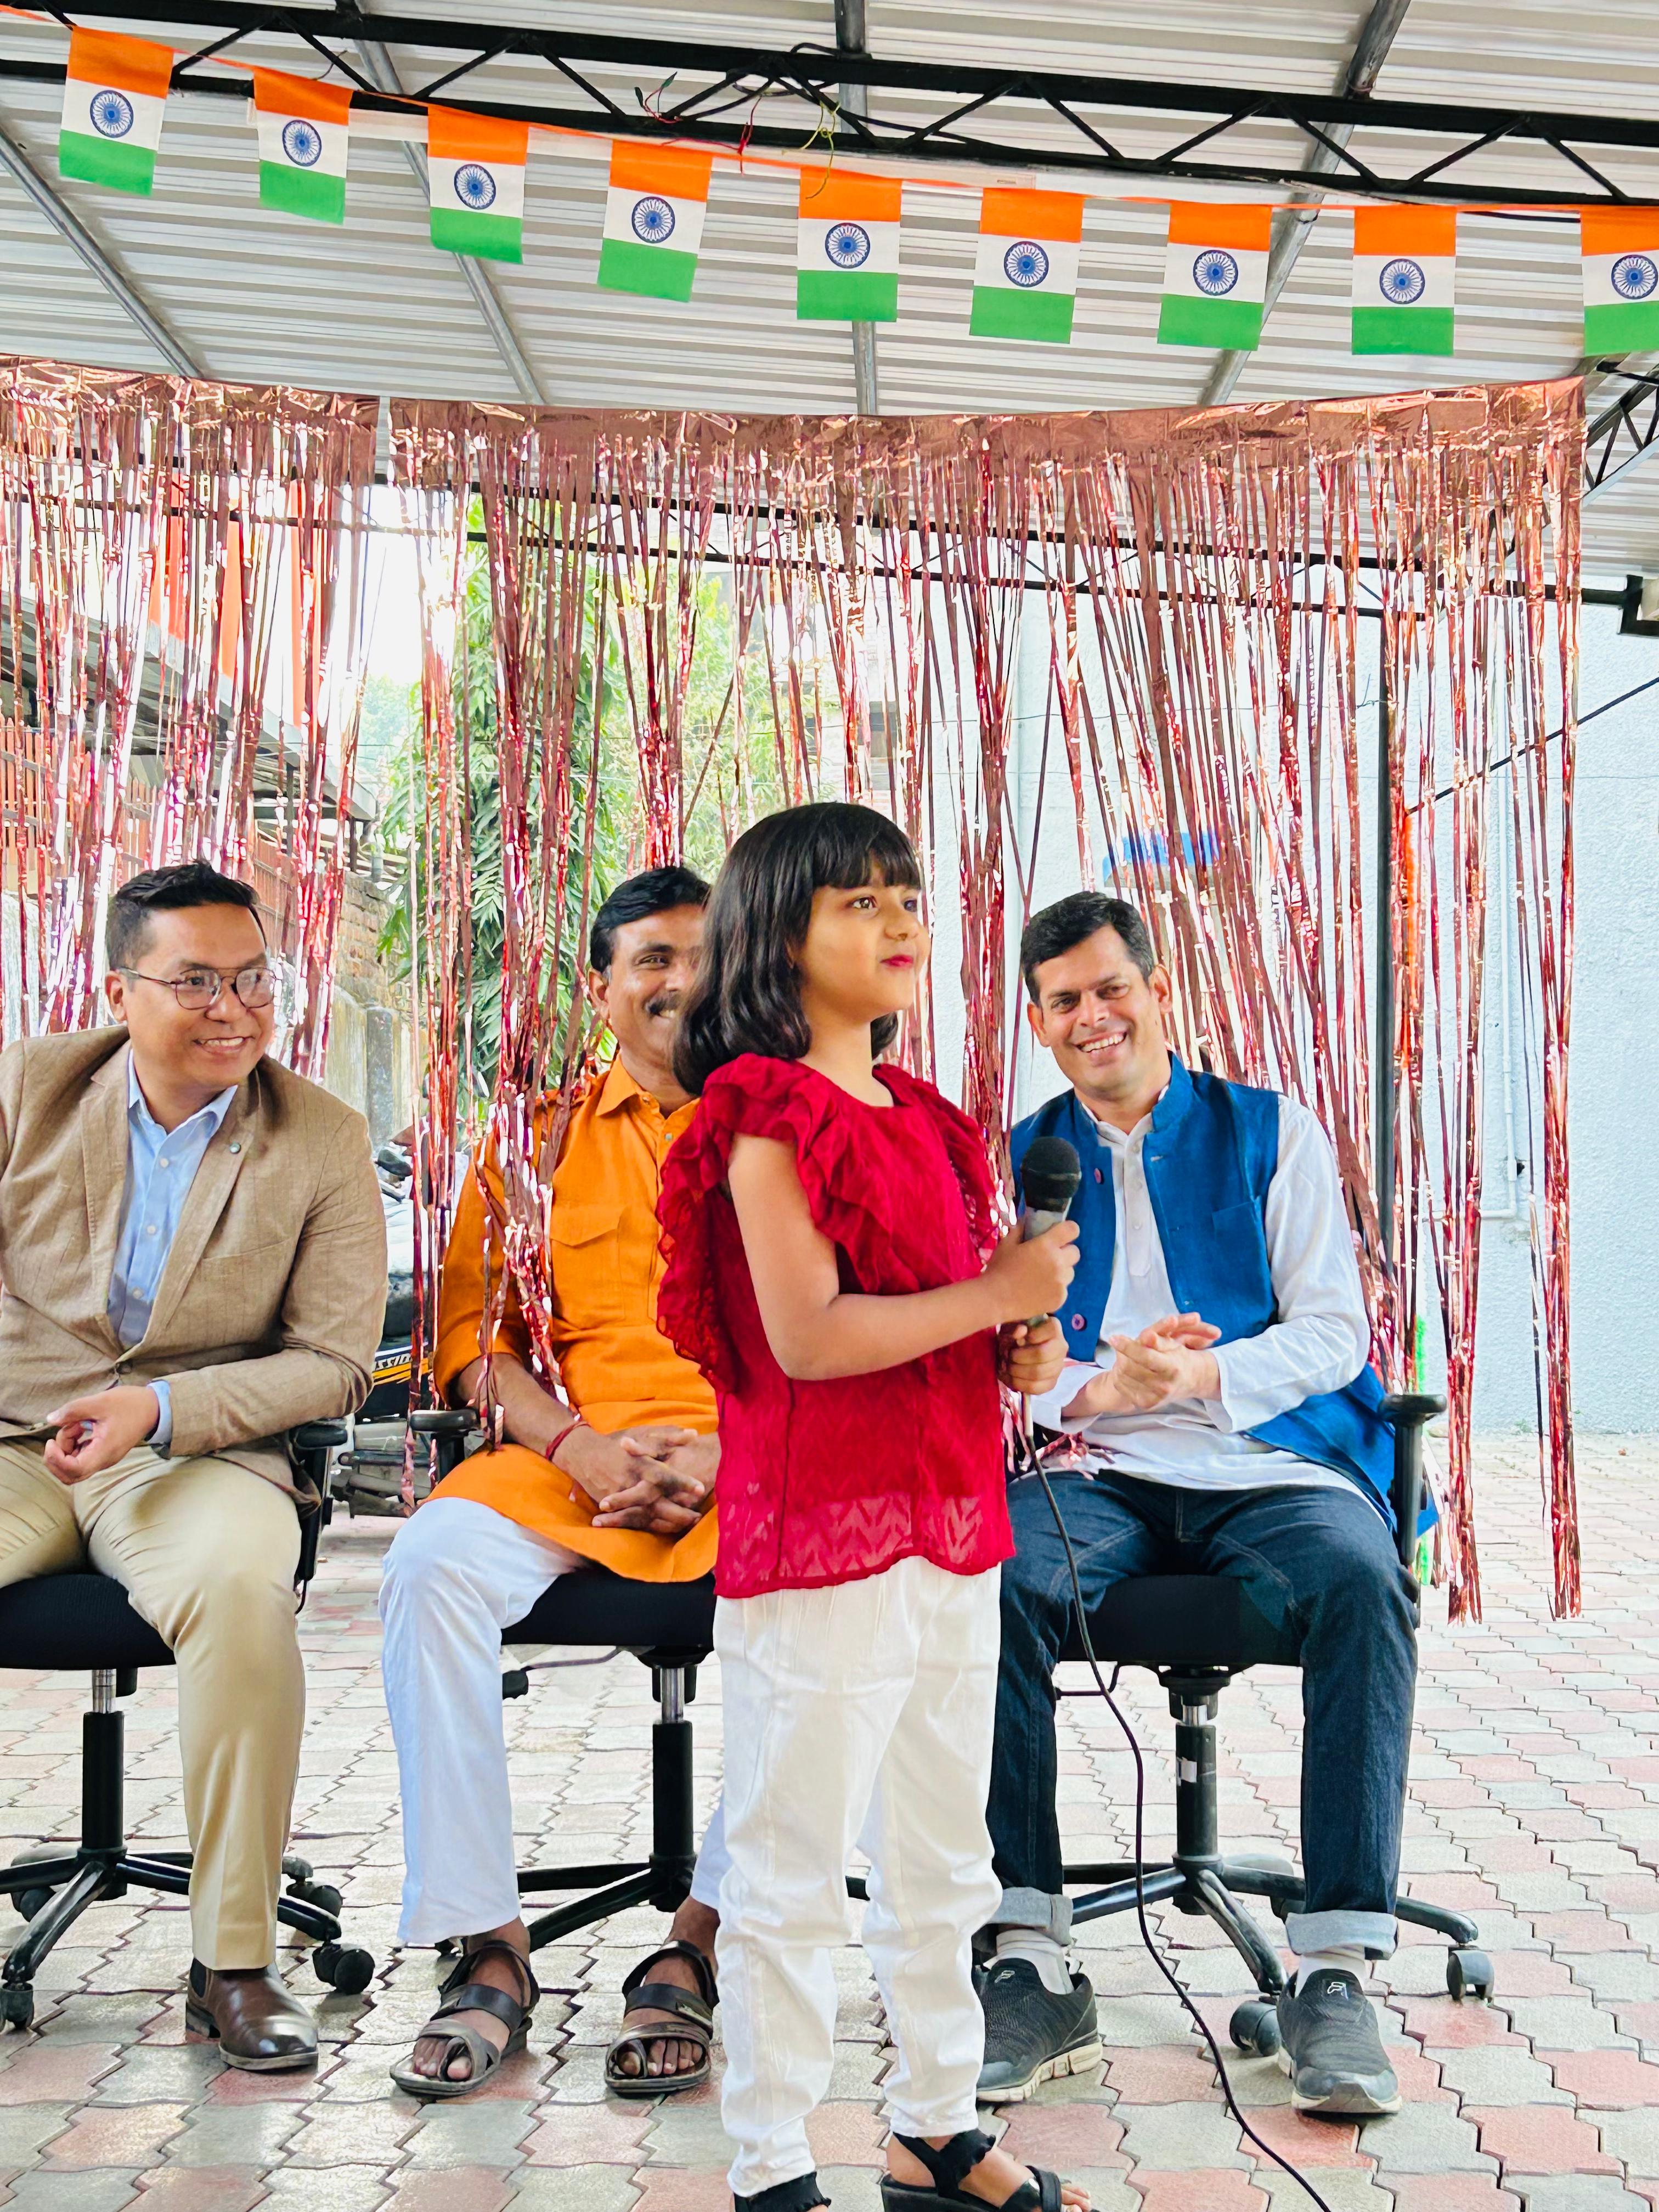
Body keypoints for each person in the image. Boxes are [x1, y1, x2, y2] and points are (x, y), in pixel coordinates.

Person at [657, 802, 1088, 2212]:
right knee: (790, 1865)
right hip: (823, 1537)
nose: (900, 920)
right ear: (776, 936)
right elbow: (809, 1337)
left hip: (951, 1521)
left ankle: (935, 2125)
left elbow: (945, 1315)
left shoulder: (932, 1119)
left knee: (942, 1853)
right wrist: (993, 1294)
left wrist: (1016, 1341)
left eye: (906, 895)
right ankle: (772, 2162)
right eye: (859, 901)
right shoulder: (764, 1114)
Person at [978, 890, 1420, 2120]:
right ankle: (1030, 1954)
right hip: (1095, 1464)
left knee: (1361, 1581)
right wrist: (1101, 1386)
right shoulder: (1019, 1162)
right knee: (990, 1581)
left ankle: (1332, 1969)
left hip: (1265, 1460)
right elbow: (998, 1354)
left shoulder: (1272, 1131)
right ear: (1040, 1021)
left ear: (1159, 988)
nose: (1093, 1016)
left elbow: (1333, 1332)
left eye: (1112, 987)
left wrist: (1201, 1378)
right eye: (1065, 1000)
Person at [0, 860, 385, 2068]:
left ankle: (233, 1964)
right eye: (198, 983)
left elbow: (338, 1362)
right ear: (122, 989)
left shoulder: (321, 1137)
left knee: (237, 1593)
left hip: (199, 1454)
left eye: (256, 980)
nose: (236, 1009)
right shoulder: (25, 1089)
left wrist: (159, 1407)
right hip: (13, 1437)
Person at [380, 865, 733, 2101]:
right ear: (602, 990)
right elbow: (474, 1343)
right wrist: (576, 1446)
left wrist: (729, 1453)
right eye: (653, 960)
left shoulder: (793, 1129)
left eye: (705, 956)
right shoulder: (533, 1140)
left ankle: (699, 1939)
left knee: (845, 1595)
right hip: (568, 1462)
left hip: (755, 1461)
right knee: (427, 1569)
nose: (681, 982)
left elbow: (838, 1335)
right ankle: (488, 1943)